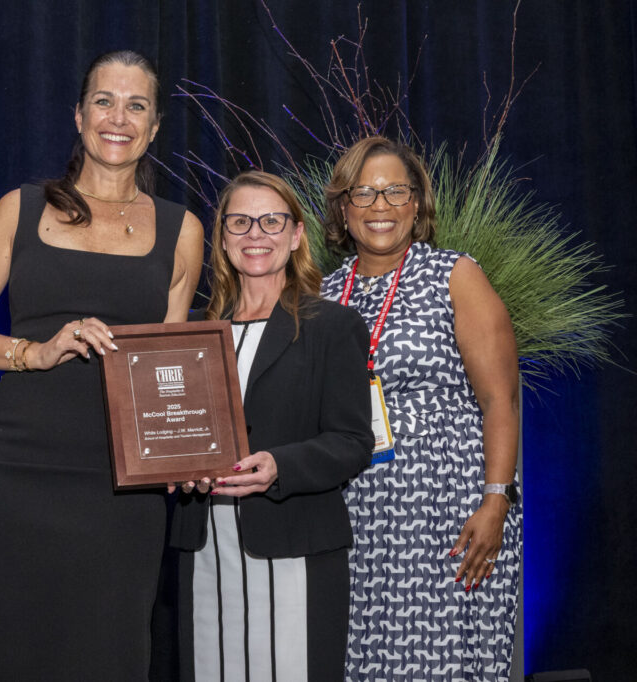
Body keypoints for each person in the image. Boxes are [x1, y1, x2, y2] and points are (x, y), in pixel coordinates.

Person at [0, 50, 203, 679]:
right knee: (13, 656)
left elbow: (170, 368)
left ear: (156, 125)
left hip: (121, 487)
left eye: (136, 105)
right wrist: (35, 351)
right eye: (104, 102)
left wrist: (188, 452)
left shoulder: (182, 228)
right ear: (78, 116)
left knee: (110, 657)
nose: (119, 117)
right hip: (18, 474)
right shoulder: (21, 209)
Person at [319, 136, 522, 679]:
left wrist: (496, 501)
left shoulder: (455, 275)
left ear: (417, 204)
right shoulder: (323, 294)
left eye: (395, 192)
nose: (380, 206)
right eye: (363, 193)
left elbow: (500, 399)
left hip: (448, 516)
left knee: (444, 662)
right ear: (343, 207)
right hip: (356, 520)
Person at [169, 171, 374, 680]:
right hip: (204, 552)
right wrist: (170, 465)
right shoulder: (189, 330)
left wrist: (279, 466)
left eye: (271, 221)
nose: (255, 234)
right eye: (239, 222)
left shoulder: (333, 326)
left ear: (296, 234)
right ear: (222, 238)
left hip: (295, 548)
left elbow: (353, 442)